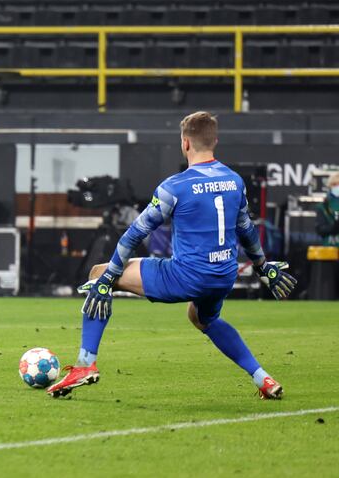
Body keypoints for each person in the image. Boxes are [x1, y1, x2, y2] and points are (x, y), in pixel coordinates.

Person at [47, 111, 297, 400]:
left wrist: (109, 278)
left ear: (185, 143)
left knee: (97, 273)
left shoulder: (175, 186)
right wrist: (264, 267)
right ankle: (263, 378)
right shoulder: (234, 181)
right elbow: (247, 230)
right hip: (224, 275)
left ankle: (84, 364)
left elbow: (135, 233)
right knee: (202, 318)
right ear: (214, 140)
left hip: (186, 277)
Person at [315, 172, 339, 246]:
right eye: (335, 184)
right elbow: (320, 229)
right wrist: (334, 227)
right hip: (330, 249)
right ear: (330, 187)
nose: (338, 187)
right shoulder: (322, 206)